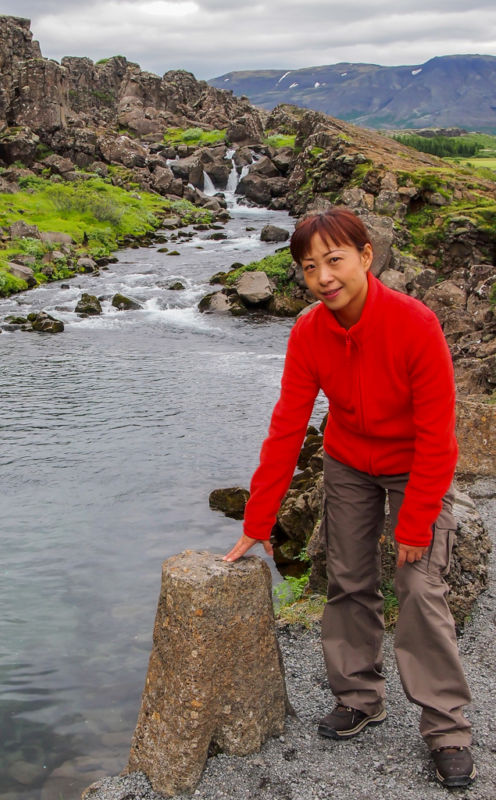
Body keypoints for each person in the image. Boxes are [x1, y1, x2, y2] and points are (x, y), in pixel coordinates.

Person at [223, 207, 475, 789]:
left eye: (334, 260)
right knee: (348, 579)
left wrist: (414, 523)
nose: (323, 277)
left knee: (419, 584)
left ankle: (446, 727)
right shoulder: (310, 331)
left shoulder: (415, 325)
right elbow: (288, 425)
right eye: (310, 268)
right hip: (347, 463)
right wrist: (259, 518)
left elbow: (439, 435)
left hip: (414, 465)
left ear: (366, 256)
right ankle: (360, 697)